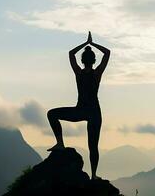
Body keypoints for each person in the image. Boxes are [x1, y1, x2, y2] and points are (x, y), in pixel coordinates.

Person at [47, 31, 110, 180]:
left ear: (82, 60)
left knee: (52, 114)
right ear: (94, 60)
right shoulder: (97, 74)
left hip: (80, 110)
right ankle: (94, 176)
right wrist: (92, 44)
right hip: (94, 112)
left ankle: (60, 143)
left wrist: (85, 43)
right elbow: (107, 53)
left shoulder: (79, 73)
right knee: (93, 147)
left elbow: (70, 54)